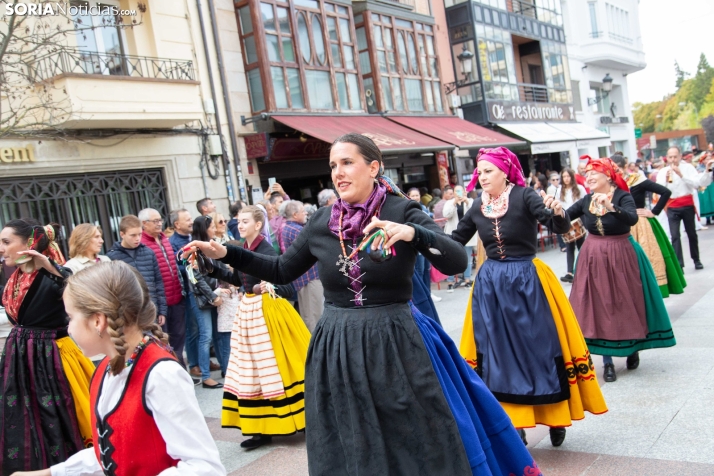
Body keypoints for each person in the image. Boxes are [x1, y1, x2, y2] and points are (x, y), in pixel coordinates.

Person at [184, 133, 540, 475]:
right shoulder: (322, 221)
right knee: (353, 436)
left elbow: (455, 262)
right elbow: (281, 269)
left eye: (347, 162)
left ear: (373, 167)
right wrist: (227, 253)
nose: (338, 171)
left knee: (415, 434)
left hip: (397, 341)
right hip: (339, 344)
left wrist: (412, 232)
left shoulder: (401, 209)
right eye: (333, 164)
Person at [451, 147, 607, 448]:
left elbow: (557, 226)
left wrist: (559, 212)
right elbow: (455, 240)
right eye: (479, 172)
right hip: (491, 287)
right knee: (497, 354)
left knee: (540, 347)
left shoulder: (524, 196)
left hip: (527, 281)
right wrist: (419, 236)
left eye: (488, 171)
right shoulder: (475, 206)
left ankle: (555, 418)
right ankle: (515, 423)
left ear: (505, 172)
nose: (481, 177)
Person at [23, 261, 225, 476]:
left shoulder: (161, 374)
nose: (68, 327)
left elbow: (204, 467)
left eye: (70, 318)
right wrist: (50, 473)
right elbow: (112, 450)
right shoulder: (104, 369)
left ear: (98, 321)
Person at [205, 205, 310, 450]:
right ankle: (262, 428)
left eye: (244, 221)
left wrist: (258, 289)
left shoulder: (266, 250)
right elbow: (238, 279)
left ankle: (302, 419)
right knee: (253, 372)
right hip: (251, 316)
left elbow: (287, 288)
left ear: (258, 225)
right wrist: (209, 267)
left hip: (270, 317)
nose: (239, 225)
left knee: (280, 368)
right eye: (238, 221)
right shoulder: (243, 249)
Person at [567, 157, 676, 383]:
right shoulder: (586, 199)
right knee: (599, 304)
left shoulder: (622, 196)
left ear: (607, 175)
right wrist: (554, 211)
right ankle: (607, 362)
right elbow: (565, 218)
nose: (588, 178)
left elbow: (632, 218)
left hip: (621, 253)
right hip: (593, 256)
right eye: (586, 174)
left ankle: (632, 348)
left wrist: (610, 207)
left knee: (626, 301)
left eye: (592, 173)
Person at [0, 220, 95, 473]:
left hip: (51, 360)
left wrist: (48, 267)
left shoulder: (55, 274)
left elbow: (78, 291)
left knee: (56, 419)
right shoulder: (15, 276)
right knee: (20, 420)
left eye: (6, 242)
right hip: (20, 359)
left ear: (29, 243)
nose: (1, 248)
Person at [610, 155, 685, 298]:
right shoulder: (611, 184)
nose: (616, 172)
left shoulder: (637, 180)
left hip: (640, 224)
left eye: (618, 168)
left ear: (625, 167)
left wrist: (654, 212)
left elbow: (665, 192)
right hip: (620, 225)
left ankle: (651, 295)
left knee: (647, 258)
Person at [139, 208, 186, 367]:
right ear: (144, 224)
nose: (160, 223)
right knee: (163, 340)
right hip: (161, 301)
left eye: (160, 220)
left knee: (179, 337)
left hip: (176, 297)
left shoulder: (165, 238)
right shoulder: (142, 244)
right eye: (155, 221)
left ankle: (181, 370)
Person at [185, 215, 227, 387]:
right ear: (204, 229)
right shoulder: (193, 249)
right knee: (206, 336)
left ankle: (227, 369)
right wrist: (213, 296)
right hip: (201, 298)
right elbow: (194, 278)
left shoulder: (213, 245)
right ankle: (206, 377)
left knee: (219, 335)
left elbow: (222, 268)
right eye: (211, 226)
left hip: (216, 295)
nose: (215, 228)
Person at [656, 146, 712, 270]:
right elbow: (659, 190)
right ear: (667, 158)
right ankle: (679, 264)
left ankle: (696, 259)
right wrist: (665, 181)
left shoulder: (688, 168)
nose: (673, 159)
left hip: (686, 205)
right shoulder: (663, 171)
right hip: (672, 207)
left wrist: (681, 175)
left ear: (680, 156)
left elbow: (696, 184)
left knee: (692, 234)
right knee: (675, 236)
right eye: (670, 157)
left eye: (675, 156)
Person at [107, 215, 168, 326]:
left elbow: (158, 282)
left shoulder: (148, 252)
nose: (137, 238)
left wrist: (162, 310)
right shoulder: (112, 257)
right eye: (133, 235)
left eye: (140, 234)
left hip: (150, 308)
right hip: (128, 312)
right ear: (122, 234)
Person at [281, 201, 324, 331]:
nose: (306, 212)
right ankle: (317, 349)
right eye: (302, 210)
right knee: (314, 317)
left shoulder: (290, 228)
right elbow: (316, 246)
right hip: (309, 279)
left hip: (304, 279)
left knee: (311, 315)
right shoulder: (295, 230)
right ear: (294, 214)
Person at [443, 185, 477, 290]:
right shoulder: (449, 202)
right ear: (453, 192)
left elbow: (476, 211)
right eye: (456, 191)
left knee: (468, 258)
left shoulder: (470, 201)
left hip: (468, 234)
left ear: (464, 191)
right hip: (454, 233)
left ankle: (467, 279)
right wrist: (454, 203)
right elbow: (446, 214)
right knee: (451, 257)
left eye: (460, 191)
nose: (459, 193)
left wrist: (466, 201)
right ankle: (450, 281)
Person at [557, 168, 587, 283]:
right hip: (567, 219)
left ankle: (585, 269)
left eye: (568, 176)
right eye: (564, 176)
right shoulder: (559, 190)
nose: (566, 179)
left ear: (572, 177)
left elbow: (585, 202)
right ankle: (570, 272)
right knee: (569, 247)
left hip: (579, 219)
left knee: (581, 246)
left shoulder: (579, 188)